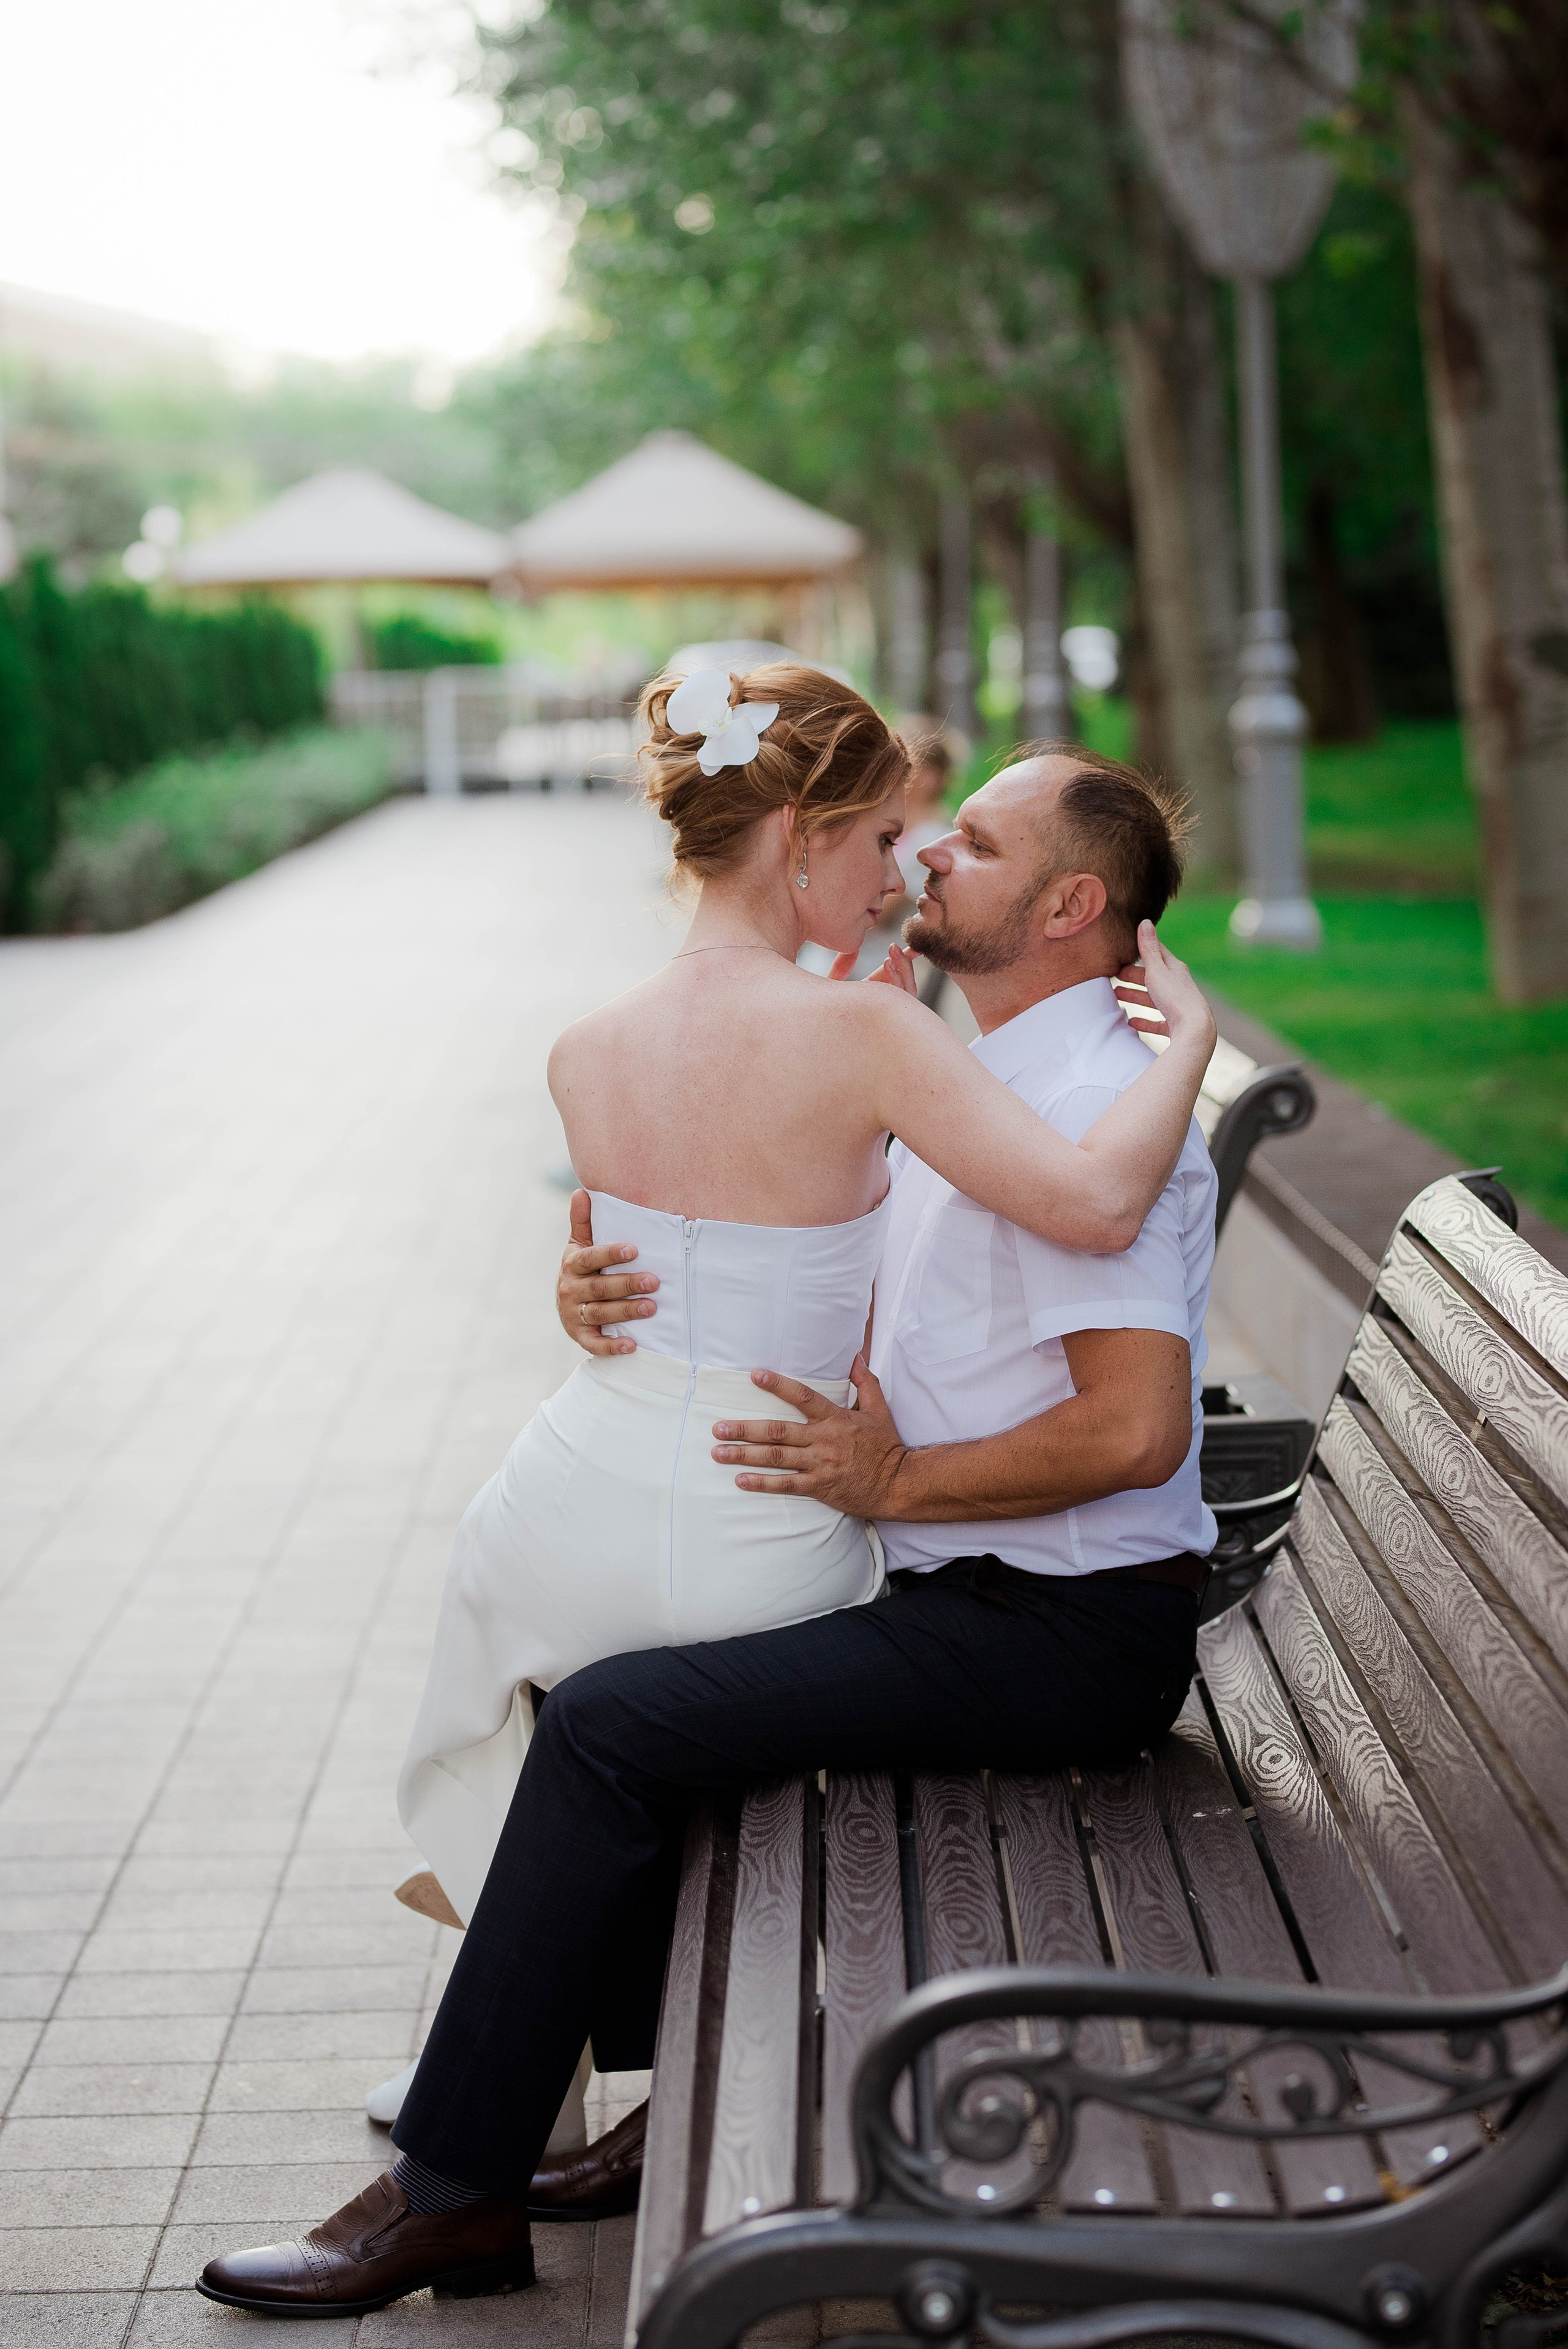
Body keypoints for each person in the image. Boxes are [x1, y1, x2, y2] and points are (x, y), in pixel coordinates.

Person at [197, 687, 1216, 2316]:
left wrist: (896, 1478)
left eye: (973, 841)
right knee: (648, 1678)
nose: (930, 852)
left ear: (1071, 908)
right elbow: (800, 1242)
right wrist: (616, 1281)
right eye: (908, 833)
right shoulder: (983, 1067)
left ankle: (452, 2187)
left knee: (613, 1720)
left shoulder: (1100, 1100)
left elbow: (1142, 1432)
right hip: (969, 1586)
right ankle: (618, 2089)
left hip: (1065, 1630)